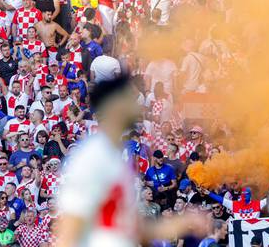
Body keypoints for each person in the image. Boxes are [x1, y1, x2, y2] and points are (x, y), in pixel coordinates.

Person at [56, 77, 207, 247]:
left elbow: (129, 226)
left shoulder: (116, 155)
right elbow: (72, 223)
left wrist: (177, 225)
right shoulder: (91, 157)